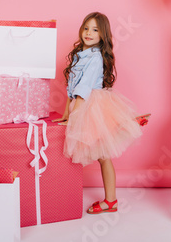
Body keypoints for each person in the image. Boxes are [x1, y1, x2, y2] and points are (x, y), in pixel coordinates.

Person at [53, 11, 142, 214]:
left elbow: (83, 88)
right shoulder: (78, 54)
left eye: (95, 30)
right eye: (86, 28)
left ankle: (111, 200)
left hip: (92, 106)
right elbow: (71, 87)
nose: (89, 33)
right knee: (101, 154)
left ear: (102, 35)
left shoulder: (95, 57)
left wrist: (76, 112)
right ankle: (107, 200)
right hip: (80, 103)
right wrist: (67, 111)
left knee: (103, 155)